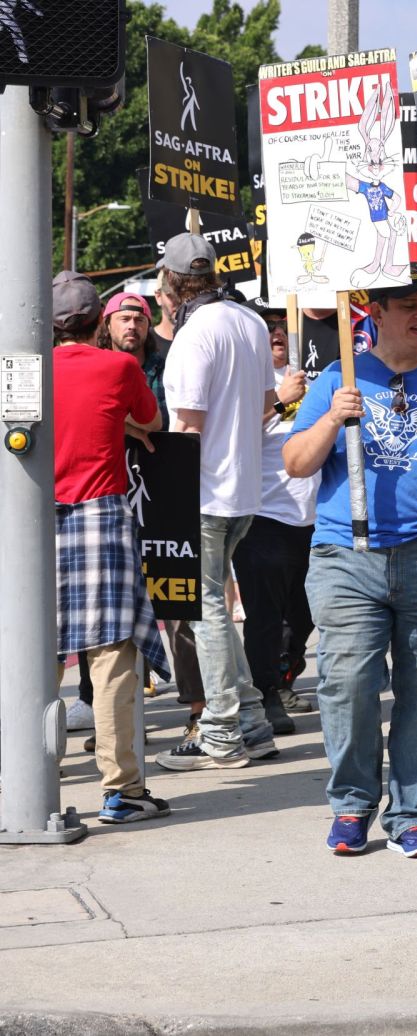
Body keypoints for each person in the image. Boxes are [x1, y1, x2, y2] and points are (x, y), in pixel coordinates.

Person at [283, 272, 417, 858]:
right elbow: (295, 462)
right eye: (411, 305)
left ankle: (412, 814)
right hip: (348, 554)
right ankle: (351, 805)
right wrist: (331, 417)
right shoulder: (340, 376)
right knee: (348, 684)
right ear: (376, 314)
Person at [152, 233, 281, 771]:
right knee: (218, 610)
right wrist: (236, 445)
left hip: (205, 490)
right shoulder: (248, 320)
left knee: (206, 610)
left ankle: (222, 732)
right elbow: (270, 405)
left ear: (170, 285)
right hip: (242, 489)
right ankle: (250, 719)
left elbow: (187, 428)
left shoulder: (193, 334)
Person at [50, 271, 171, 824]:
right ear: (100, 321)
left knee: (32, 660)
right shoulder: (119, 366)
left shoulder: (27, 370)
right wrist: (121, 423)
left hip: (34, 523)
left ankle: (23, 778)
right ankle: (121, 789)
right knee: (111, 660)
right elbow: (152, 419)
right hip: (99, 513)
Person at [234, 301, 313, 737]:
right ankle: (266, 695)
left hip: (314, 518)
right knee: (265, 617)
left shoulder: (311, 382)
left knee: (303, 615)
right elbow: (231, 432)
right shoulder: (248, 384)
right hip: (264, 514)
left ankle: (283, 676)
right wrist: (281, 403)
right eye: (268, 331)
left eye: (283, 329)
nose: (278, 335)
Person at [98, 292, 168, 429]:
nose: (132, 326)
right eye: (124, 319)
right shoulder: (94, 368)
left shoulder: (166, 370)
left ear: (148, 326)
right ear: (108, 325)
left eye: (139, 320)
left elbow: (168, 422)